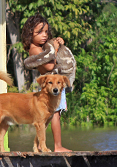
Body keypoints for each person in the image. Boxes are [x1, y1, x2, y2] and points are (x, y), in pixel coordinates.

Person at [21, 15, 76, 152]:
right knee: (55, 114)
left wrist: (57, 42)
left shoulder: (41, 47)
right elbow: (49, 66)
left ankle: (40, 145)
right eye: (39, 32)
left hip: (54, 84)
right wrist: (55, 49)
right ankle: (58, 146)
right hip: (52, 86)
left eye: (46, 32)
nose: (44, 35)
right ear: (30, 34)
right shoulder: (35, 49)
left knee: (47, 118)